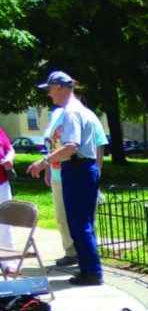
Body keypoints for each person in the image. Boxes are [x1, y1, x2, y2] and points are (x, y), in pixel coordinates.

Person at [27, 71, 103, 286]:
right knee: (84, 223)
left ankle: (91, 272)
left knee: (79, 225)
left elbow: (71, 146)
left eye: (50, 89)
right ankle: (89, 269)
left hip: (77, 169)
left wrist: (44, 162)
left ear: (59, 88)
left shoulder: (70, 113)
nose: (49, 94)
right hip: (84, 169)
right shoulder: (83, 111)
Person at [43, 84, 107, 267]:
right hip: (60, 174)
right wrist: (48, 166)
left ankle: (88, 263)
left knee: (83, 222)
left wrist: (96, 176)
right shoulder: (57, 116)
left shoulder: (81, 115)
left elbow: (97, 147)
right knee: (64, 219)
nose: (50, 95)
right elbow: (52, 143)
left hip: (79, 173)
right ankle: (73, 254)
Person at [0, 125, 16, 250]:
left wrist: (9, 158)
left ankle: (9, 261)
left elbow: (9, 149)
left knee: (6, 222)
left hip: (2, 183)